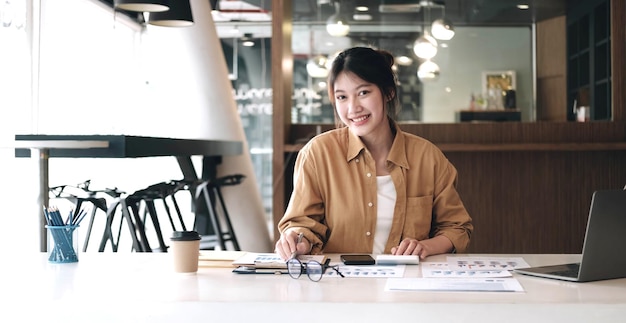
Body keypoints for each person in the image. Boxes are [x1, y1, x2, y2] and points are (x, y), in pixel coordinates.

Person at [275, 46, 473, 260]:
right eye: (342, 97)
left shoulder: (427, 157)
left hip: (408, 284)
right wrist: (297, 241)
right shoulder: (317, 154)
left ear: (388, 92)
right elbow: (302, 224)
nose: (353, 108)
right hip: (339, 285)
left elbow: (457, 227)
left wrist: (426, 247)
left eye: (363, 93)